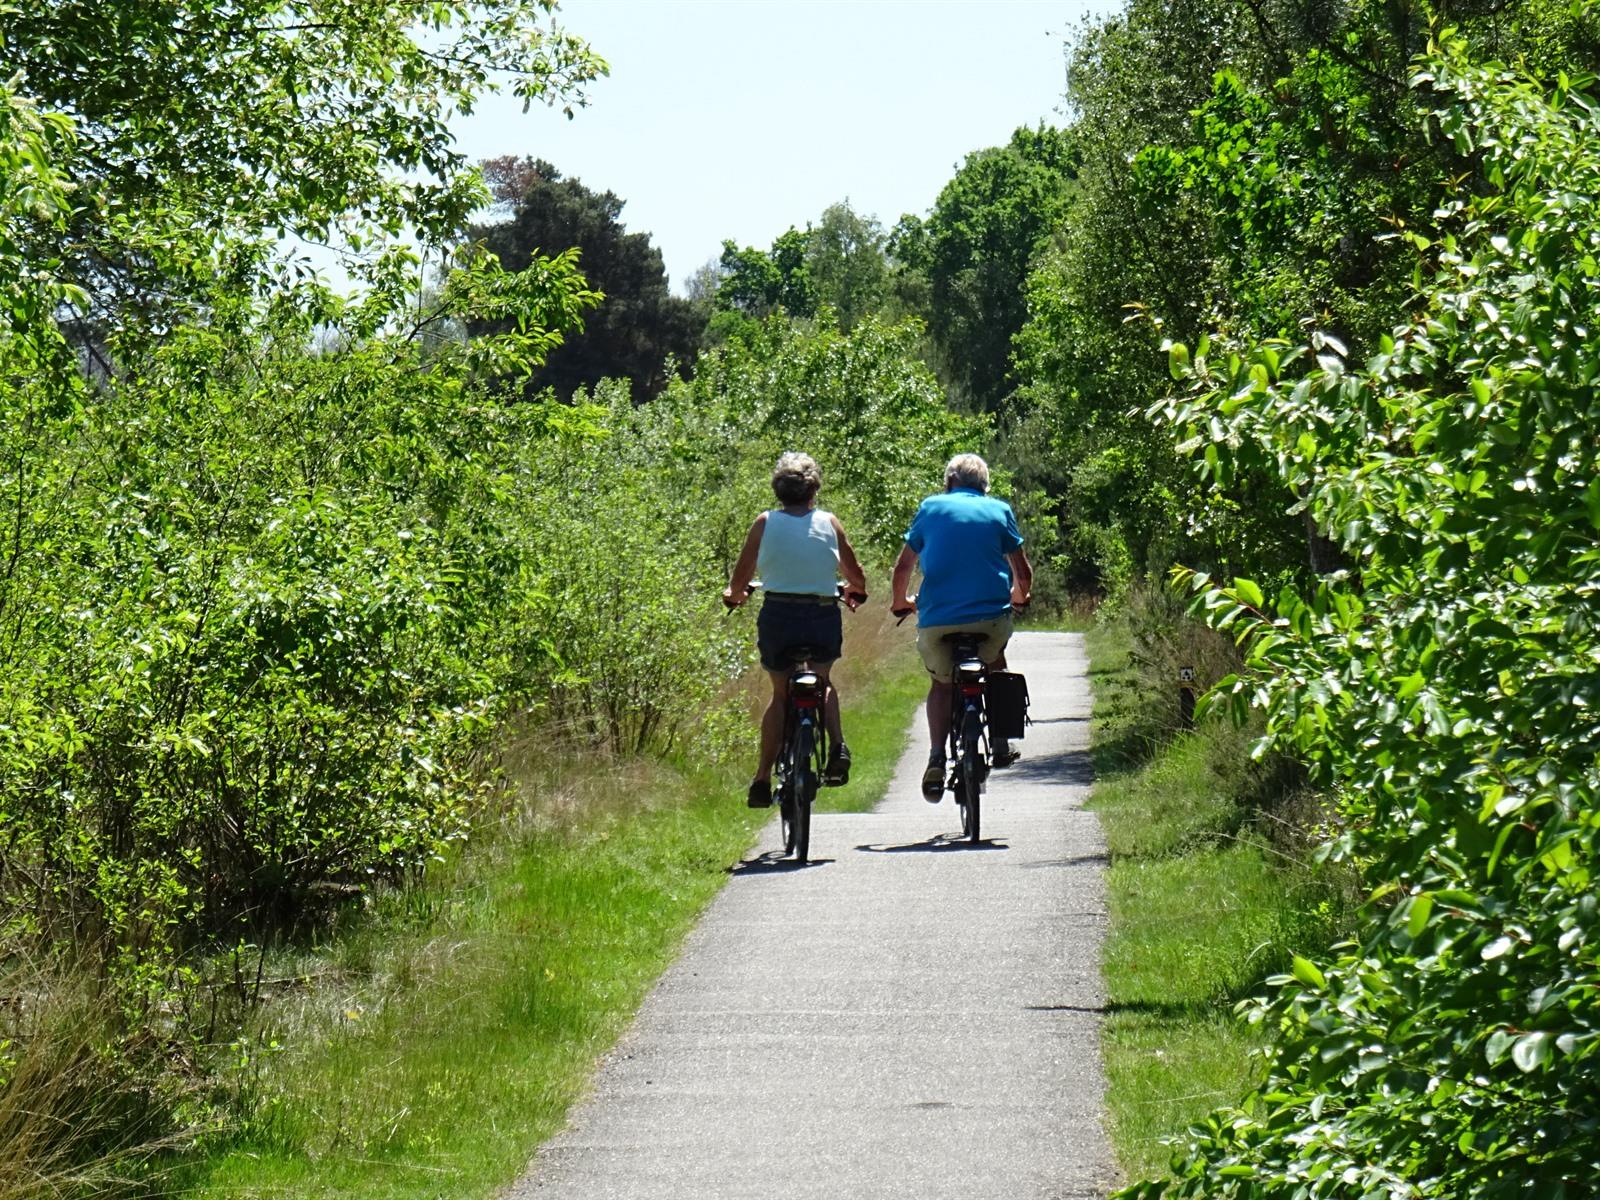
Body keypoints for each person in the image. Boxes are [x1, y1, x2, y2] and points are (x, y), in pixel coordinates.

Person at [723, 452, 868, 808]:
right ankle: (837, 746)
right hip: (820, 616)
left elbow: (740, 578)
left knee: (780, 694)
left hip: (778, 616)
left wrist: (734, 595)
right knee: (823, 681)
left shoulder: (764, 523)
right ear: (813, 490)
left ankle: (761, 779)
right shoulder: (830, 523)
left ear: (779, 491)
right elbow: (855, 575)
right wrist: (855, 592)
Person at [890, 453, 1033, 800]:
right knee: (996, 664)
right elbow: (1023, 573)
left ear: (951, 480)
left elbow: (903, 567)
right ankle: (1000, 743)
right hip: (990, 619)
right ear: (984, 485)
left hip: (939, 620)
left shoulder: (930, 508)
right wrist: (1019, 596)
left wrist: (900, 602)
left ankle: (937, 756)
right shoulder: (1000, 511)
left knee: (941, 685)